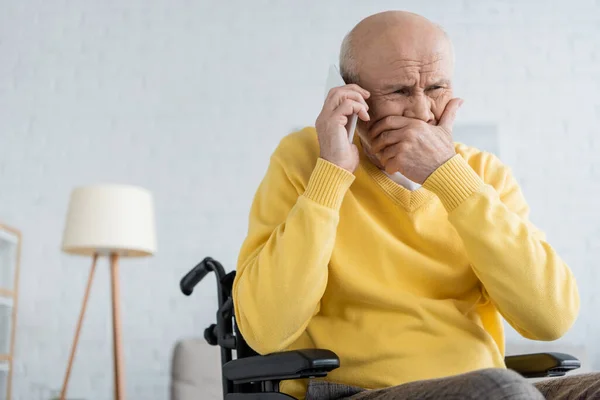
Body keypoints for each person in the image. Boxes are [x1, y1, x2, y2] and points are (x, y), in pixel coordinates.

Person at [232, 10, 596, 400]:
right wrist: (331, 175)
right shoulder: (305, 160)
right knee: (501, 390)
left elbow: (551, 318)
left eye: (437, 88)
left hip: (484, 387)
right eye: (400, 92)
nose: (423, 112)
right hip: (358, 391)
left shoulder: (483, 173)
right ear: (350, 95)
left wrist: (451, 178)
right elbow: (266, 330)